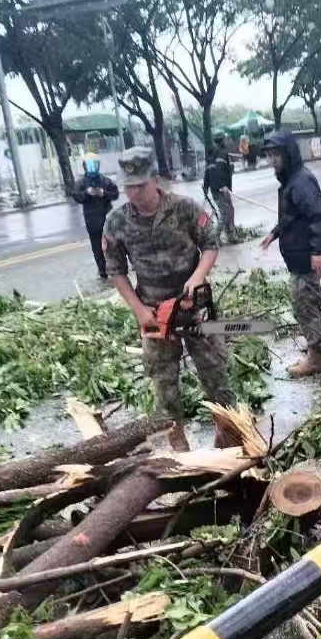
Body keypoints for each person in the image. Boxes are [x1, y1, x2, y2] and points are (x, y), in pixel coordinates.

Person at [102, 146, 236, 450]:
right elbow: (116, 270)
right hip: (154, 311)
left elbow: (211, 244)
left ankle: (228, 433)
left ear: (156, 180)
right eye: (129, 187)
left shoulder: (185, 209)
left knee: (216, 373)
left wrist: (197, 276)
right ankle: (178, 444)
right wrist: (138, 310)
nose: (134, 193)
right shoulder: (116, 222)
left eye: (140, 185)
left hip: (194, 304)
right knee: (164, 385)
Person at [260, 130, 321, 376]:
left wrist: (319, 251)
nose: (272, 160)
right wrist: (274, 233)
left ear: (287, 154)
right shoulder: (289, 181)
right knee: (305, 293)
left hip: (307, 253)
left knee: (304, 304)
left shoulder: (301, 181)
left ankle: (315, 359)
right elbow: (291, 216)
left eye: (276, 154)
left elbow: (317, 216)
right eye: (269, 155)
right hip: (296, 254)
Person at [71, 153, 119, 279]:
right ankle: (103, 272)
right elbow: (76, 196)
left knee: (113, 245)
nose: (92, 168)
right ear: (85, 166)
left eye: (94, 165)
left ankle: (116, 268)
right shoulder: (81, 183)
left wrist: (103, 193)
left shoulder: (105, 181)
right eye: (89, 165)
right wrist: (87, 193)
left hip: (107, 218)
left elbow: (115, 194)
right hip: (92, 221)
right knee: (97, 248)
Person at [203, 133, 236, 242]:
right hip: (220, 189)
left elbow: (207, 173)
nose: (227, 141)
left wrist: (205, 187)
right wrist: (222, 186)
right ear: (222, 141)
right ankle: (214, 239)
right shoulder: (220, 153)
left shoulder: (213, 154)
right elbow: (217, 171)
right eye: (226, 139)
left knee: (230, 211)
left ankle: (231, 235)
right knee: (226, 213)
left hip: (219, 188)